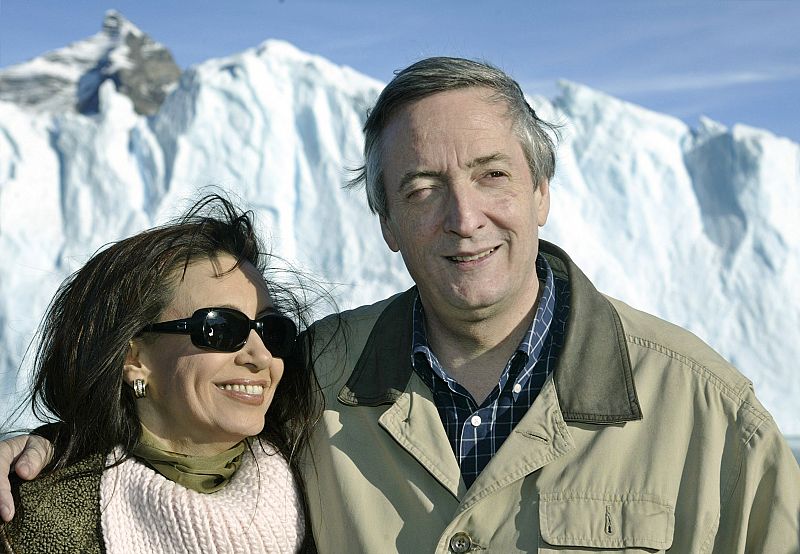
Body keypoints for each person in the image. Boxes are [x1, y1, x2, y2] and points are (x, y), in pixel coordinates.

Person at [2, 58, 799, 553]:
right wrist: (45, 450)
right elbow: (179, 431)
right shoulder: (312, 379)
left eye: (492, 174)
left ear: (542, 191)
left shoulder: (706, 408)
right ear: (385, 221)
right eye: (422, 189)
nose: (463, 217)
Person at [0, 195, 319, 552]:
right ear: (134, 358)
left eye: (272, 330)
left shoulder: (323, 476)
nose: (261, 356)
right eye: (221, 328)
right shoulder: (40, 521)